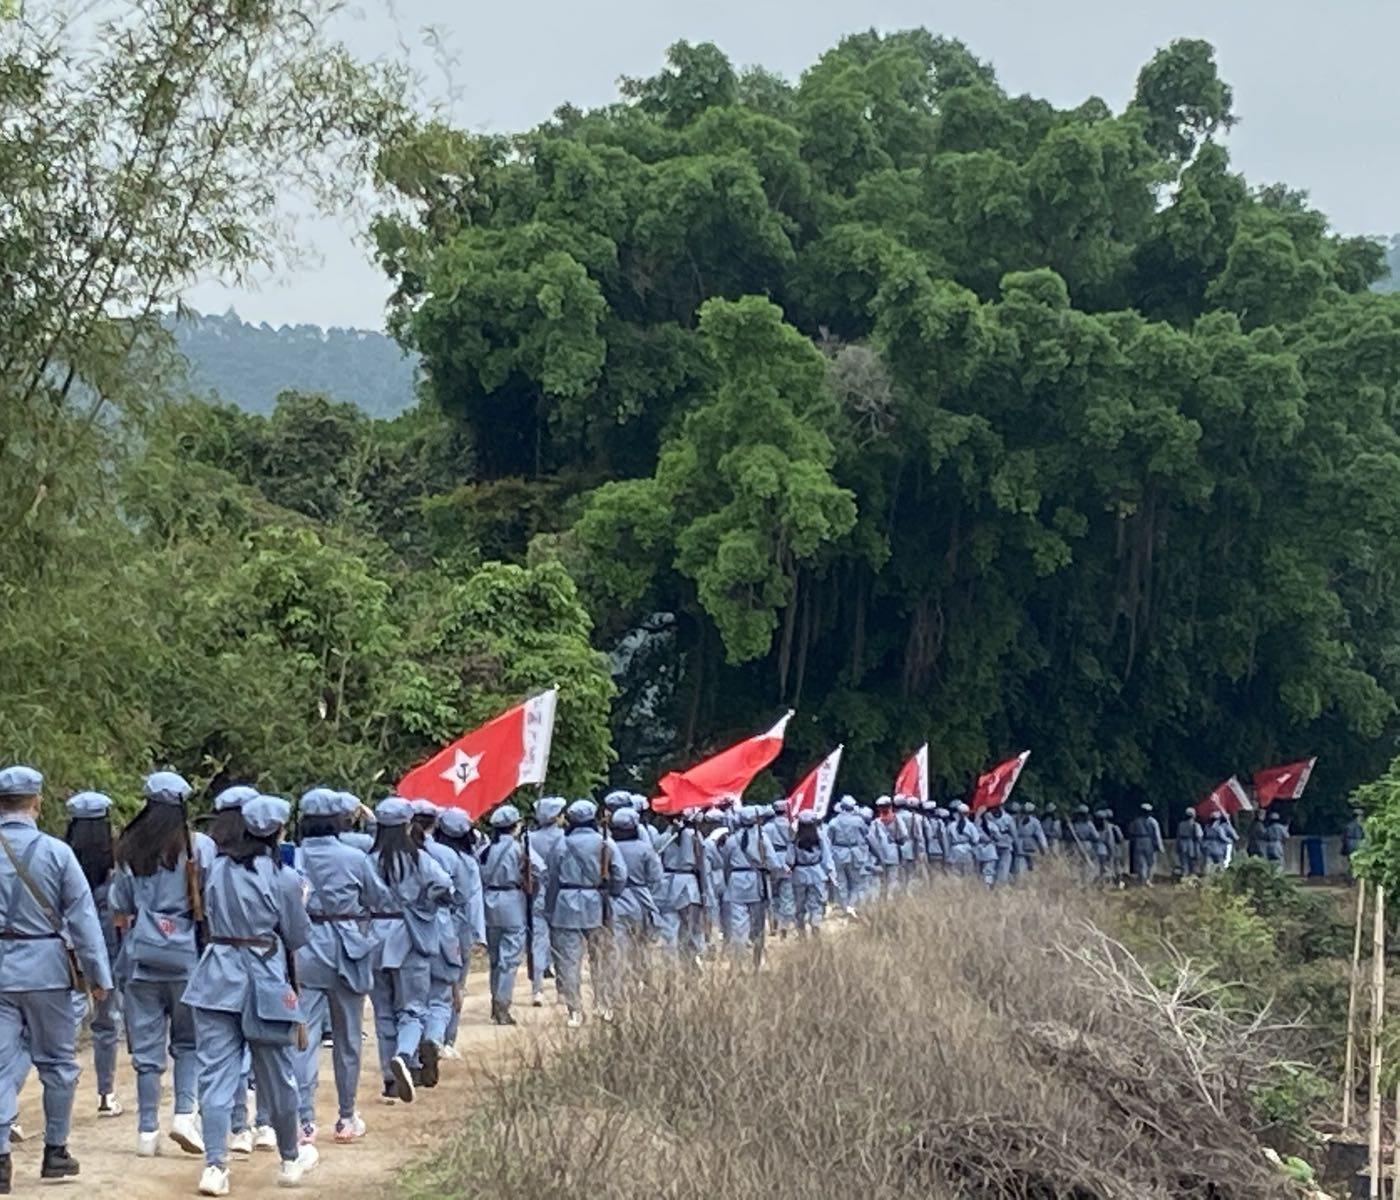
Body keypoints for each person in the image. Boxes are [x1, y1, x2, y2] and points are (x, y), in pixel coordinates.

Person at [183, 795, 317, 1196]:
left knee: (216, 1076)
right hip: (265, 979)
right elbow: (296, 936)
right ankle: (291, 1158)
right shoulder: (285, 879)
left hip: (215, 977)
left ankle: (214, 1166)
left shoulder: (216, 869)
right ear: (278, 831)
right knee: (278, 1076)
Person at [0, 765, 114, 1193]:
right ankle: (55, 1152)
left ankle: (1, 1160)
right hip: (48, 969)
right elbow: (83, 920)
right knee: (58, 1064)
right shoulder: (57, 853)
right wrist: (99, 976)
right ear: (37, 802)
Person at [109, 770, 206, 1158]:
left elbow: (121, 908)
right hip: (186, 960)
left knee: (147, 1053)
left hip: (141, 958)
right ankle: (184, 1113)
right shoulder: (196, 846)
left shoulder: (129, 848)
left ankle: (146, 1130)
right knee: (189, 1043)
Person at [292, 788, 384, 1147]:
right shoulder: (355, 856)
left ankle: (305, 1121)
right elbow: (378, 898)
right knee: (348, 1039)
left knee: (304, 1038)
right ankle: (346, 1117)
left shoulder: (293, 857)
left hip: (306, 948)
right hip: (349, 947)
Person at [366, 797, 452, 1105]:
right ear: (406, 825)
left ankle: (390, 1080)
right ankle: (405, 1055)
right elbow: (445, 886)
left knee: (383, 1012)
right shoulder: (418, 859)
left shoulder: (367, 858)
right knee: (413, 1008)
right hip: (410, 938)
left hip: (375, 938)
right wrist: (426, 903)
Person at [413, 799, 483, 1089]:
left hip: (409, 930)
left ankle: (414, 1044)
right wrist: (478, 935)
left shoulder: (398, 852)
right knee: (449, 988)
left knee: (413, 992)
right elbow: (469, 897)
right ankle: (441, 1038)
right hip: (449, 929)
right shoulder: (458, 859)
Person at [64, 791, 123, 1117]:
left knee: (65, 1022)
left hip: (67, 954)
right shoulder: (115, 865)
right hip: (107, 954)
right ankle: (106, 1094)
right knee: (106, 1024)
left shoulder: (60, 858)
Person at [543, 800, 627, 1028]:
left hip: (565, 903)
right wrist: (611, 894)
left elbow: (550, 880)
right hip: (596, 903)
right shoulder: (605, 843)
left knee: (569, 961)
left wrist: (549, 910)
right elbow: (620, 874)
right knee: (602, 958)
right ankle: (603, 1004)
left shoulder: (560, 845)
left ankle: (574, 1011)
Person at [479, 804, 544, 1027]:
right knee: (509, 960)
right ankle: (502, 1004)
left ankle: (495, 1002)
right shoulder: (519, 849)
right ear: (515, 827)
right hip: (512, 903)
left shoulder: (485, 850)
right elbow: (539, 870)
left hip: (489, 904)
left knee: (495, 959)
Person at [433, 808, 486, 1051]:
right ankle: (448, 1038)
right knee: (456, 984)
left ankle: (428, 1033)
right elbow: (473, 899)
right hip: (458, 926)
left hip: (427, 925)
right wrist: (479, 936)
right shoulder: (467, 862)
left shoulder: (427, 854)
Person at [607, 807, 662, 985]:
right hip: (640, 900)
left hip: (613, 900)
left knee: (618, 947)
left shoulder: (607, 847)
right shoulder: (645, 849)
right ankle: (643, 981)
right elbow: (655, 878)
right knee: (641, 945)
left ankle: (620, 984)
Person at [720, 806, 780, 967]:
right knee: (758, 924)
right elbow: (774, 863)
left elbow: (724, 863)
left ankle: (738, 962)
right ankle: (756, 960)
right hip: (756, 882)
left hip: (735, 882)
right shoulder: (762, 838)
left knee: (738, 926)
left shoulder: (731, 840)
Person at [655, 808, 711, 965]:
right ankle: (681, 963)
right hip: (687, 885)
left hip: (673, 884)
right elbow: (703, 867)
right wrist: (705, 891)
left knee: (674, 928)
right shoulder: (672, 838)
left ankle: (680, 963)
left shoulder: (666, 838)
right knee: (687, 928)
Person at [525, 797, 566, 1007]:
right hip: (559, 895)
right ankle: (562, 989)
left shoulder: (529, 838)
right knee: (561, 943)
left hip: (537, 894)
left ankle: (537, 989)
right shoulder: (563, 837)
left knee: (538, 942)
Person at [787, 811, 835, 935]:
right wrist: (830, 872)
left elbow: (790, 859)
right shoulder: (820, 837)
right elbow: (826, 856)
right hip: (817, 873)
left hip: (799, 874)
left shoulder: (795, 839)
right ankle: (815, 924)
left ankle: (801, 929)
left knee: (799, 905)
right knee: (816, 903)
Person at [827, 798, 866, 916]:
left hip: (838, 852)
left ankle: (844, 908)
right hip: (855, 852)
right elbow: (865, 834)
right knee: (856, 882)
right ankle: (852, 905)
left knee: (841, 882)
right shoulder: (859, 821)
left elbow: (829, 839)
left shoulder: (833, 822)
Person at [763, 801, 796, 936]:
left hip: (772, 859)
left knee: (774, 894)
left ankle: (774, 921)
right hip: (787, 857)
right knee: (787, 894)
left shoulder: (767, 827)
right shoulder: (791, 825)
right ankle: (785, 924)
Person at [1126, 803, 1164, 885]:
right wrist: (1159, 846)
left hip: (1138, 841)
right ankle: (1148, 879)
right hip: (1149, 841)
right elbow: (1156, 835)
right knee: (1151, 862)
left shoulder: (1136, 821)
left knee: (1141, 862)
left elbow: (1131, 832)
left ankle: (1142, 879)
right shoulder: (1153, 821)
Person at [978, 801, 1015, 884]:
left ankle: (997, 888)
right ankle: (989, 887)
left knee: (1002, 870)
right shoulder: (987, 817)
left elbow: (1014, 834)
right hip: (992, 847)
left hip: (1005, 847)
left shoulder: (1007, 818)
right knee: (990, 870)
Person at [944, 802, 982, 878]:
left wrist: (947, 855)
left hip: (954, 851)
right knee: (967, 875)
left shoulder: (951, 825)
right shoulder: (970, 825)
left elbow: (947, 841)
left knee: (955, 875)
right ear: (967, 814)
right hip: (967, 851)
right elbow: (976, 840)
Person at [1011, 801, 1048, 877]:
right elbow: (1040, 835)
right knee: (1019, 864)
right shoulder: (1014, 819)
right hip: (1018, 844)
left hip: (1029, 845)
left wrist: (1044, 846)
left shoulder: (1034, 821)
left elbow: (1040, 835)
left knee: (1030, 864)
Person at [1175, 809, 1203, 878]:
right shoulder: (1196, 825)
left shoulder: (1181, 824)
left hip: (1182, 845)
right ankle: (1191, 879)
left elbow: (1178, 837)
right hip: (1192, 845)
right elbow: (1199, 837)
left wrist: (1177, 847)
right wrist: (1201, 846)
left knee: (1184, 864)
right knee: (1193, 864)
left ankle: (1184, 878)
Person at [1343, 810, 1365, 879]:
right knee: (1354, 865)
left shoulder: (1350, 826)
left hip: (1352, 847)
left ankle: (1351, 880)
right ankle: (1351, 880)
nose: (1362, 818)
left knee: (1352, 865)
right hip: (1354, 848)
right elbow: (1355, 839)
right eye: (1360, 816)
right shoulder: (1354, 826)